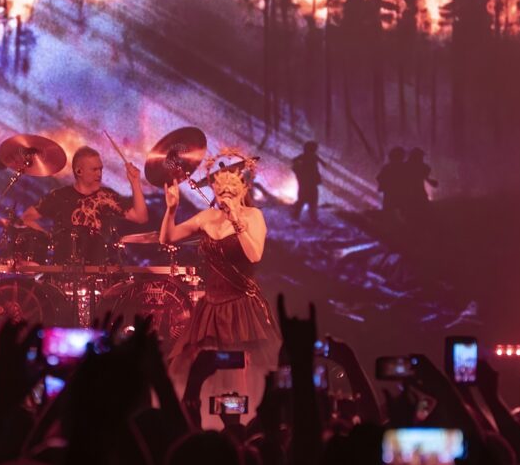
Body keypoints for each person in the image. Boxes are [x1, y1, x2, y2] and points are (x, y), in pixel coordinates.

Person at [162, 158, 275, 373]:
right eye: (222, 192)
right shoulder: (208, 217)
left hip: (241, 307)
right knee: (202, 367)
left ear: (243, 190)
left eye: (231, 192)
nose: (226, 196)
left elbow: (254, 256)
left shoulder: (254, 216)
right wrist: (171, 210)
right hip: (210, 308)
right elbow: (167, 238)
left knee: (239, 368)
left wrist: (236, 221)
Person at [22, 140, 149, 267]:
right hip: (63, 269)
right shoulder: (59, 196)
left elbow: (140, 217)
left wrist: (135, 183)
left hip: (98, 269)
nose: (99, 174)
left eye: (100, 169)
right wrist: (48, 238)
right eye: (94, 169)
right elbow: (27, 217)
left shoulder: (107, 196)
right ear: (79, 171)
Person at [291, 141, 322, 223]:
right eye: (314, 149)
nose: (315, 151)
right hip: (307, 184)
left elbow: (294, 163)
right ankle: (296, 217)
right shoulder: (306, 158)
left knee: (309, 201)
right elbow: (295, 165)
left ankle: (310, 218)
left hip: (308, 184)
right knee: (306, 200)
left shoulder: (310, 157)